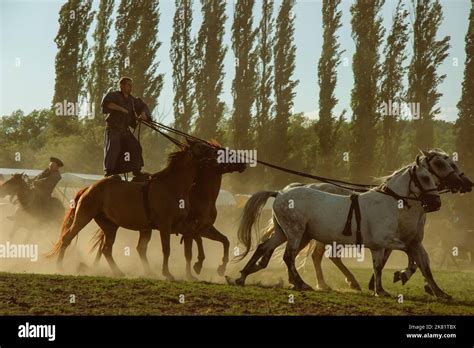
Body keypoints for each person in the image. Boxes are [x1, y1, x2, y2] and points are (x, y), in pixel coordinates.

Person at [101, 77, 151, 179]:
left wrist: (143, 114)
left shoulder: (133, 100)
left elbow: (143, 107)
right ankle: (109, 171)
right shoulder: (114, 95)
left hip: (125, 130)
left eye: (131, 85)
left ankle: (137, 171)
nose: (130, 87)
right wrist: (121, 109)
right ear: (121, 85)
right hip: (113, 129)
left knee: (135, 146)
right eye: (128, 85)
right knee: (114, 147)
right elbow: (106, 104)